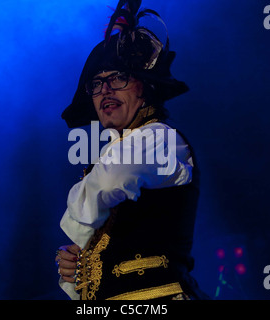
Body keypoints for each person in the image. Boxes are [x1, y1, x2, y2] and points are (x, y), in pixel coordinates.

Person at [55, 0, 208, 300]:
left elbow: (111, 182)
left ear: (146, 87)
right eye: (96, 84)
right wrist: (77, 262)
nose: (105, 91)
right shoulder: (114, 154)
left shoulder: (162, 140)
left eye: (118, 78)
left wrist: (79, 228)